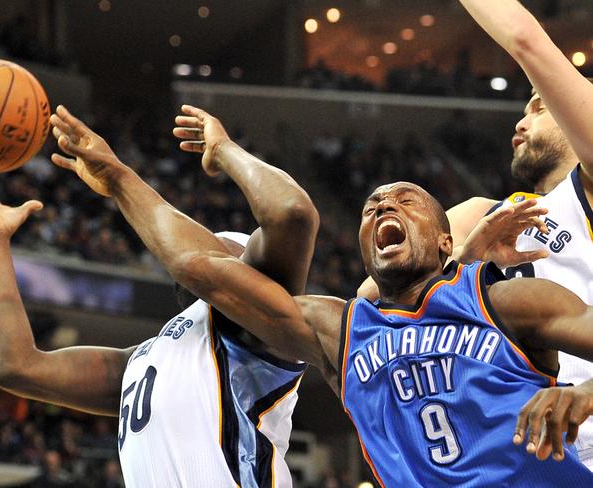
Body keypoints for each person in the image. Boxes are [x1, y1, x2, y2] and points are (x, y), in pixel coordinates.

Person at [67, 174, 593, 486]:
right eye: (370, 207)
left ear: (444, 243)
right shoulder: (339, 329)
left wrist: (587, 390)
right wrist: (118, 178)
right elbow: (197, 266)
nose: (384, 205)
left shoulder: (506, 300)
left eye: (406, 200)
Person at [0, 103, 320, 487]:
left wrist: (222, 149)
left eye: (217, 247)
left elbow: (292, 213)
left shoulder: (263, 332)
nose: (203, 246)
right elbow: (15, 366)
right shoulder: (148, 359)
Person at [452, 0, 593, 467]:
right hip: (510, 452)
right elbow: (374, 303)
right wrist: (466, 263)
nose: (521, 120)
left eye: (539, 106)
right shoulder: (481, 216)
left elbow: (525, 39)